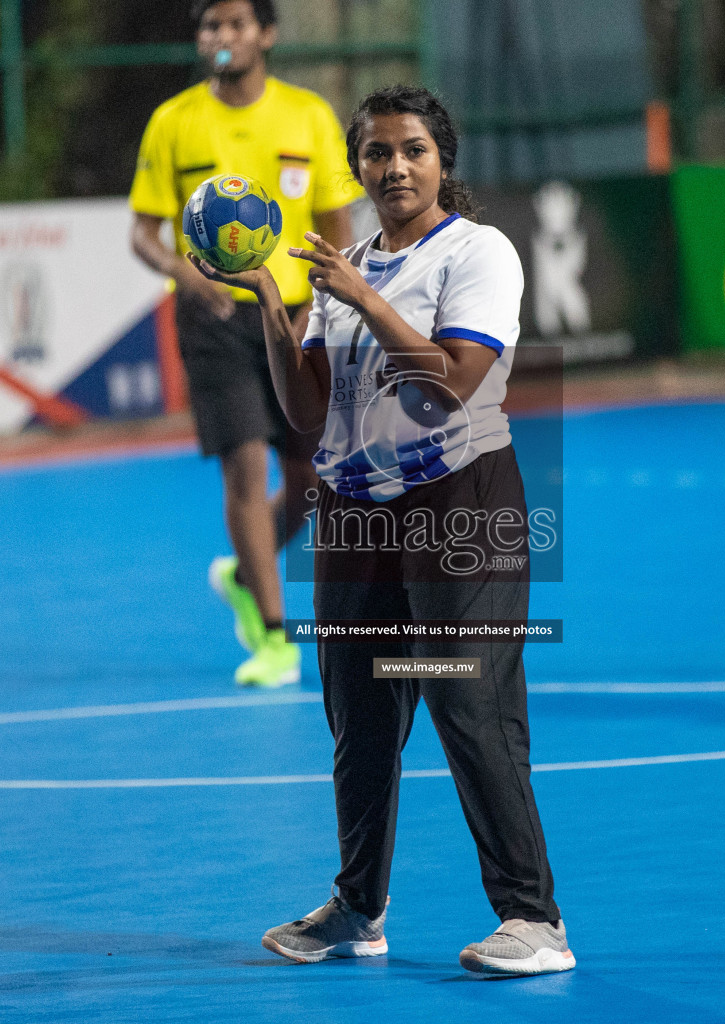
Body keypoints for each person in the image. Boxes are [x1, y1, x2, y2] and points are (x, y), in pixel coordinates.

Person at [189, 84, 574, 977]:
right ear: (356, 167)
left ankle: (534, 920)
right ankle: (358, 908)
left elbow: (449, 383)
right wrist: (271, 307)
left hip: (459, 506)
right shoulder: (342, 263)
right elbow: (306, 413)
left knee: (466, 704)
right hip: (357, 517)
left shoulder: (479, 254)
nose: (393, 167)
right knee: (358, 713)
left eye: (412, 151)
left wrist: (362, 296)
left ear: (444, 160)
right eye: (376, 154)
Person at [128, 0, 361, 688]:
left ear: (266, 34)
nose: (220, 36)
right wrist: (181, 273)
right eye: (208, 25)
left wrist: (335, 307)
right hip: (212, 313)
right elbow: (142, 231)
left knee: (315, 483)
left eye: (234, 23)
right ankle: (271, 635)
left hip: (295, 312)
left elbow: (335, 224)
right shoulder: (174, 121)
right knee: (243, 467)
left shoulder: (308, 115)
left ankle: (241, 571)